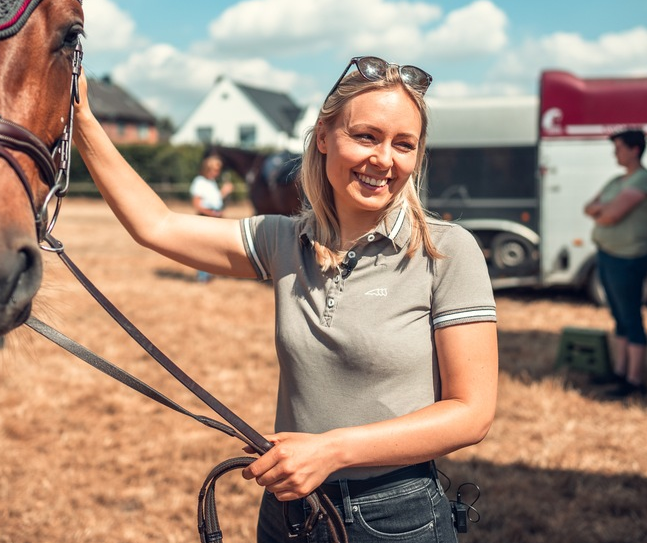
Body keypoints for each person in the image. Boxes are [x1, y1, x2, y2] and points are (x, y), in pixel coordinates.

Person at [72, 56, 498, 542]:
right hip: (290, 510)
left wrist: (332, 451)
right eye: (366, 136)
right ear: (323, 136)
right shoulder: (283, 242)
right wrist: (83, 118)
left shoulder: (446, 250)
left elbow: (472, 412)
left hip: (395, 516)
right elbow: (156, 225)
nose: (384, 159)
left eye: (404, 144)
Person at [584, 128, 647, 398]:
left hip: (628, 259)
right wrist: (602, 210)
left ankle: (634, 381)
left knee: (631, 317)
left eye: (619, 148)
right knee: (619, 317)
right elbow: (589, 207)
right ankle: (620, 372)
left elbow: (610, 215)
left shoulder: (643, 182)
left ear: (634, 149)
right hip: (608, 255)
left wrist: (603, 210)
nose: (615, 153)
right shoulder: (618, 181)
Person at [189, 154, 233, 281]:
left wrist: (224, 192)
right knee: (204, 248)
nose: (217, 173)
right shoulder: (199, 182)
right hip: (205, 218)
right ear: (207, 169)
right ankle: (203, 276)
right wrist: (212, 213)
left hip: (214, 217)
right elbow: (197, 204)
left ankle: (210, 272)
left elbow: (215, 200)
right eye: (215, 170)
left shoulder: (211, 182)